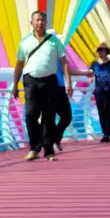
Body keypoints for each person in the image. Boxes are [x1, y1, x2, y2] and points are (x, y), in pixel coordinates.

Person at [12, 10, 72, 161]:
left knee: (49, 117)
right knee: (30, 115)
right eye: (37, 20)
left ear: (46, 23)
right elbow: (19, 65)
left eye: (42, 20)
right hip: (31, 81)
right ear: (31, 23)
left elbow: (64, 62)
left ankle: (49, 151)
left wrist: (68, 82)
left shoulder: (55, 41)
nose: (40, 23)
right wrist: (15, 85)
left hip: (50, 81)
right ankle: (34, 147)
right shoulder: (25, 43)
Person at [72, 43, 110, 142]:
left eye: (102, 50)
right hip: (99, 92)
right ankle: (104, 133)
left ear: (106, 51)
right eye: (98, 50)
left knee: (108, 112)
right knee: (101, 113)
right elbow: (89, 73)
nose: (100, 52)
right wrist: (90, 77)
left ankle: (107, 134)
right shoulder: (94, 64)